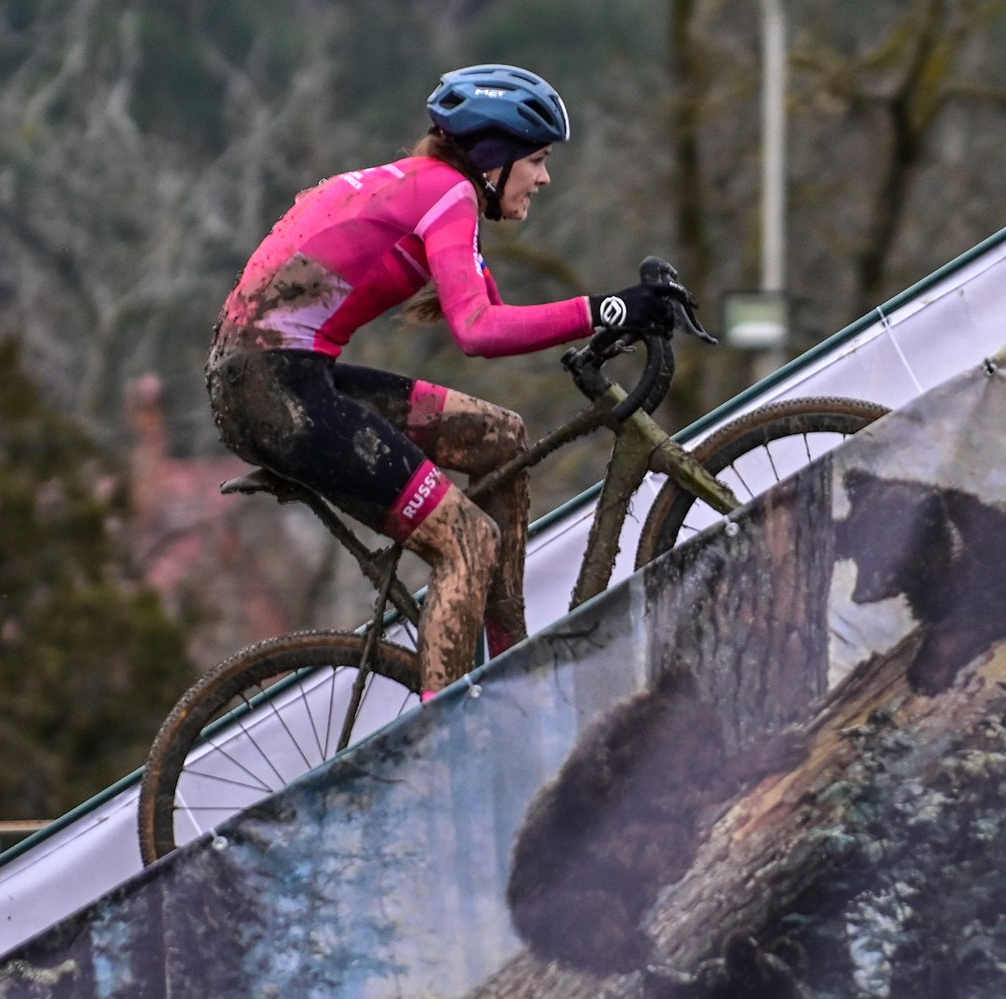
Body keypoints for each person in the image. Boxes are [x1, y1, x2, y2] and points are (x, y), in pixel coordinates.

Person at [207, 65, 685, 693]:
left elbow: (500, 312)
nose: (544, 177)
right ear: (494, 159)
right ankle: (449, 748)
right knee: (466, 538)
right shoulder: (447, 195)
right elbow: (479, 331)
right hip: (274, 391)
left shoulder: (434, 189)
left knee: (500, 435)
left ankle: (512, 666)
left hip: (281, 378)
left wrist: (608, 318)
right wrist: (609, 308)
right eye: (536, 160)